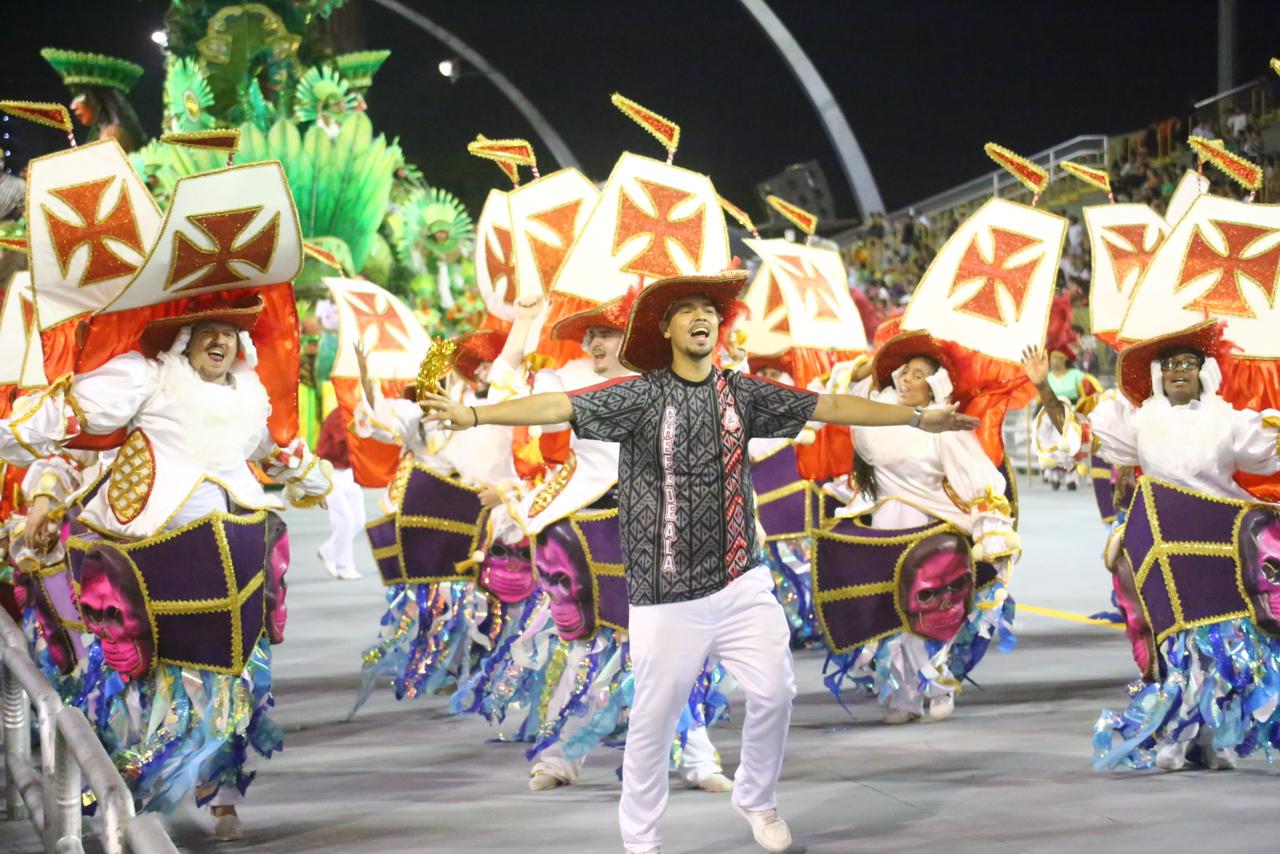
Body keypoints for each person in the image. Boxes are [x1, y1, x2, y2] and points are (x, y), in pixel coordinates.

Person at [422, 269, 977, 854]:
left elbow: (831, 404)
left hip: (741, 582)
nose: (701, 316)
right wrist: (476, 416)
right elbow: (560, 403)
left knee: (776, 693)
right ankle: (640, 840)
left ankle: (756, 800)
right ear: (665, 328)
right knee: (653, 720)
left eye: (709, 308)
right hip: (665, 596)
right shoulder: (636, 396)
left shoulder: (744, 393)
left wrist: (919, 418)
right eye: (686, 309)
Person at [0, 307, 332, 839]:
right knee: (142, 678)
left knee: (235, 682)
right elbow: (71, 422)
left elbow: (279, 452)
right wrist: (27, 456)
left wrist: (311, 476)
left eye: (230, 333)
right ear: (185, 339)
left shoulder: (249, 395)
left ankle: (221, 797)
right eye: (209, 333)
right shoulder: (149, 379)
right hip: (152, 559)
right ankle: (128, 783)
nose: (220, 342)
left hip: (236, 559)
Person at [1024, 325, 1280, 771]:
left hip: (1219, 544)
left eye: (1189, 364)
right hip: (1164, 547)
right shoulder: (1141, 419)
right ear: (1161, 375)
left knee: (1217, 645)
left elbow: (1270, 451)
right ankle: (1175, 740)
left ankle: (1205, 740)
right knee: (1174, 645)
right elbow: (1081, 437)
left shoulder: (1228, 418)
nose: (1180, 371)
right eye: (1173, 365)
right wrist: (1044, 386)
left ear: (1205, 372)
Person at [818, 335, 1019, 723]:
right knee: (890, 614)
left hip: (929, 529)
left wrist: (989, 528)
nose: (906, 380)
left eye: (917, 375)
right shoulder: (877, 414)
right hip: (883, 526)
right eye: (903, 373)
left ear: (936, 384)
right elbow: (835, 394)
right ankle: (902, 696)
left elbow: (977, 478)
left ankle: (938, 684)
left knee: (930, 612)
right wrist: (862, 366)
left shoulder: (946, 426)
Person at [316, 406, 365, 580]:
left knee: (359, 519)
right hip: (329, 472)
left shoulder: (358, 412)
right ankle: (344, 566)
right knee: (345, 520)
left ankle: (328, 550)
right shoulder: (339, 415)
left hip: (347, 471)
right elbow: (346, 439)